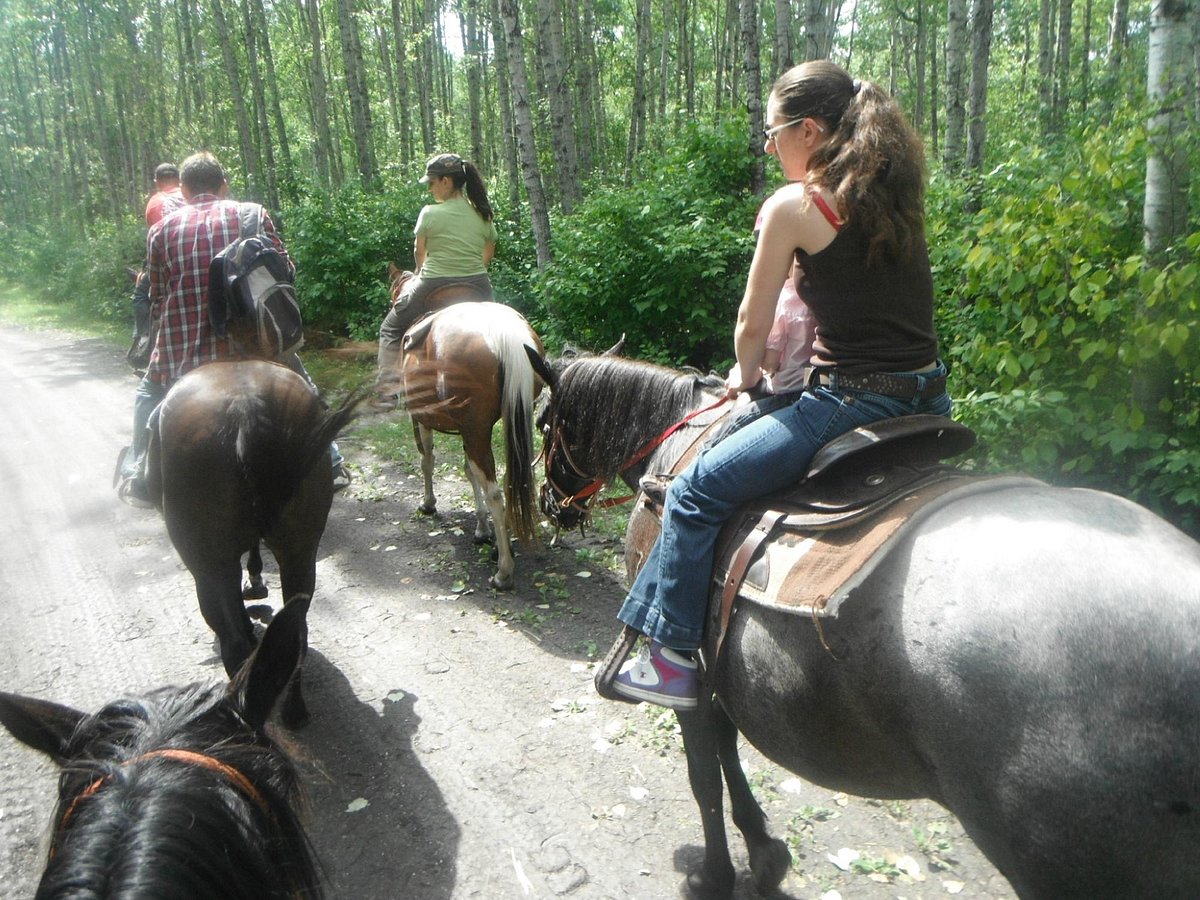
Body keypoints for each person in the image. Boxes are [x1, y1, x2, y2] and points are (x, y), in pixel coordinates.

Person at [606, 60, 952, 710]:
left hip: (849, 400)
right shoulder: (892, 198)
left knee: (695, 490)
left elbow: (751, 322)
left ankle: (674, 661)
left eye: (774, 133)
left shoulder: (796, 206)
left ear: (810, 130)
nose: (769, 147)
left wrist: (746, 374)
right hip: (930, 396)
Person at [116, 152, 346, 505]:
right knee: (304, 387)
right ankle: (331, 462)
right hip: (255, 345)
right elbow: (285, 274)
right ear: (223, 186)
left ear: (184, 190)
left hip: (185, 353)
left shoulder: (161, 230)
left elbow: (158, 298)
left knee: (149, 394)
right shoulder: (252, 214)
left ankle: (141, 474)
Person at [377, 153, 498, 391]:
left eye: (431, 183)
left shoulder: (430, 213)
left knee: (389, 328)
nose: (430, 189)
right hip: (478, 284)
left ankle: (386, 391)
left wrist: (422, 271)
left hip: (432, 282)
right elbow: (488, 254)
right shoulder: (483, 214)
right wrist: (470, 269)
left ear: (446, 181)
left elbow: (419, 253)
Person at [130, 164, 187, 354]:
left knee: (140, 295)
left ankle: (145, 339)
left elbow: (155, 241)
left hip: (168, 263)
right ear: (179, 179)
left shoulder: (155, 202)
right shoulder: (189, 195)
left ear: (157, 181)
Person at [144, 163, 185, 227]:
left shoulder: (154, 203)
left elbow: (152, 231)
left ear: (157, 182)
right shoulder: (190, 196)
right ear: (179, 180)